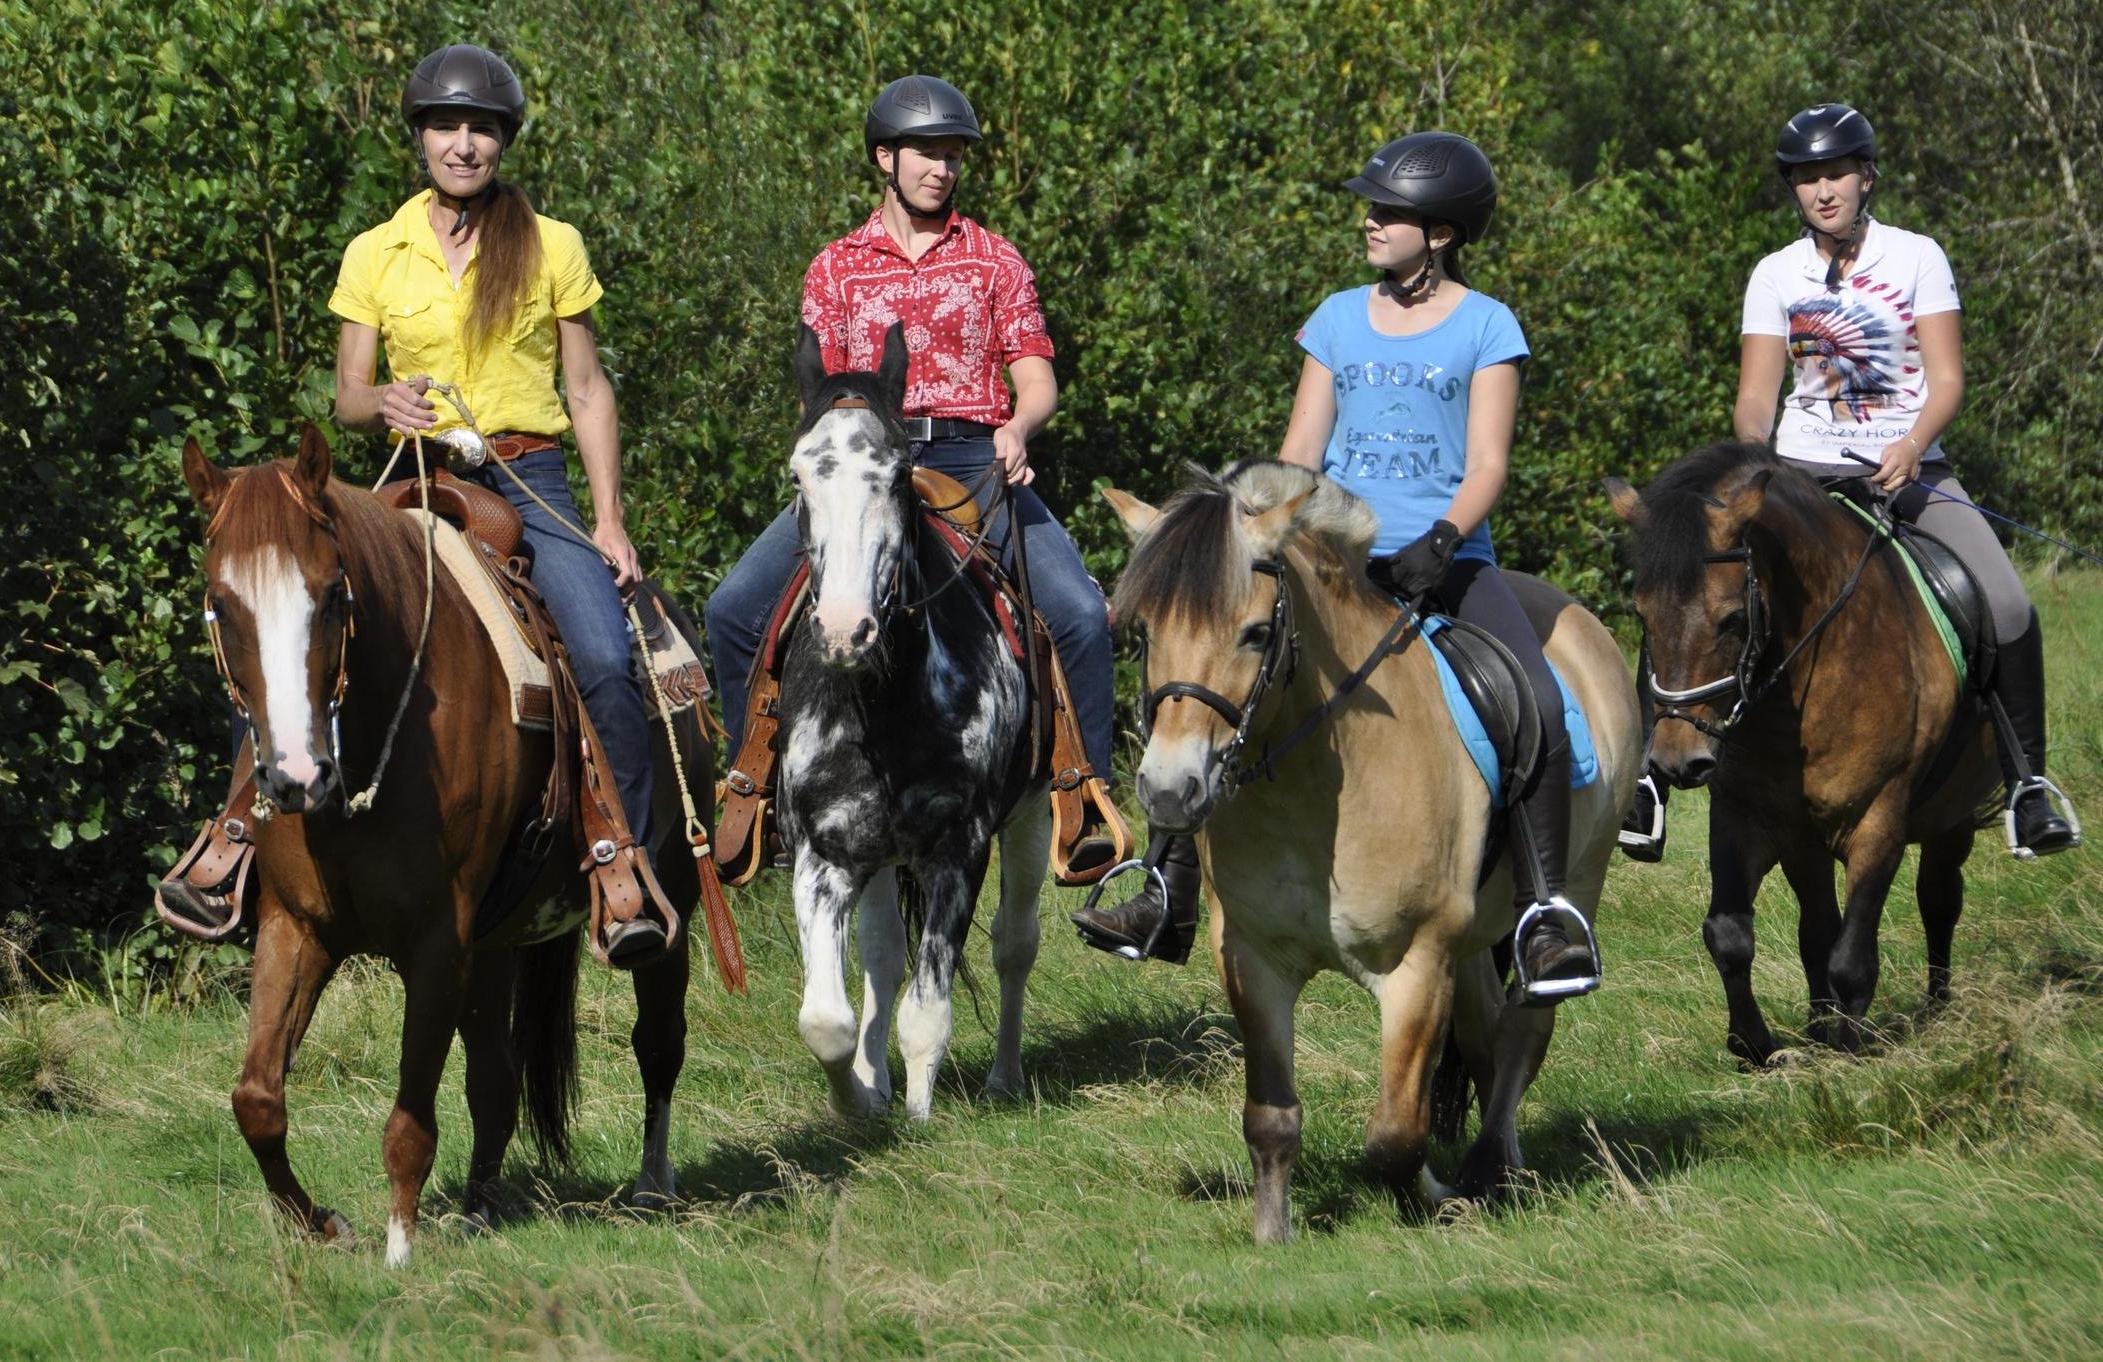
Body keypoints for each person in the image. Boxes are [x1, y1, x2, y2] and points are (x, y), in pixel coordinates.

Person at [159, 42, 679, 965]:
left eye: (481, 128)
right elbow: (349, 395)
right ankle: (235, 840)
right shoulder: (376, 251)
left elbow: (589, 388)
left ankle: (618, 866)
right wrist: (382, 404)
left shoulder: (552, 244)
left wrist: (607, 519)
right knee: (292, 622)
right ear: (421, 138)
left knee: (603, 653)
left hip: (530, 478)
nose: (464, 144)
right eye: (447, 125)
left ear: (503, 141)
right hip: (410, 481)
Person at [1077, 131, 1601, 992]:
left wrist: (1440, 541)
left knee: (1538, 699)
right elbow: (1299, 451)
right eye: (1372, 207)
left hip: (1449, 563)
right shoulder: (1336, 317)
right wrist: (1255, 529)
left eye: (1388, 211)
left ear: (1439, 232)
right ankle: (1163, 887)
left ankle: (1548, 913)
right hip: (1331, 563)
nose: (1370, 220)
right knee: (1209, 670)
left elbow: (1489, 466)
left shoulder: (1486, 325)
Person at [704, 75, 1118, 864]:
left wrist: (1018, 428)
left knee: (1077, 612)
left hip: (973, 457)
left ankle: (1083, 799)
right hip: (864, 468)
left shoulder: (996, 259)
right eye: (928, 151)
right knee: (732, 609)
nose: (943, 167)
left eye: (954, 153)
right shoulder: (835, 267)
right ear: (884, 158)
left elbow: (1037, 380)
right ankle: (753, 794)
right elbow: (821, 388)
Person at [1731, 103, 2078, 856]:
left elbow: (1947, 377)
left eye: (1836, 174)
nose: (1822, 191)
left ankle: (2028, 788)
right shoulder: (1774, 275)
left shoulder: (1918, 256)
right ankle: (1651, 784)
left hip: (1907, 471)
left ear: (1866, 178)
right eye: (1806, 179)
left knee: (2010, 602)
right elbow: (1757, 395)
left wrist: (1915, 443)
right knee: (1699, 582)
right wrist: (1757, 457)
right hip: (1800, 474)